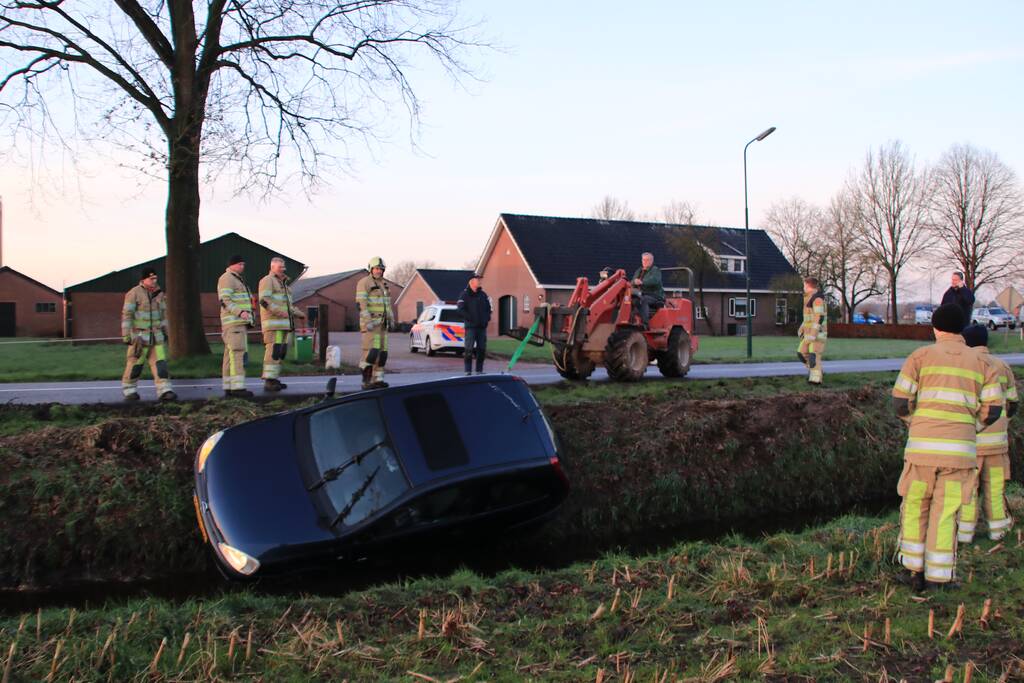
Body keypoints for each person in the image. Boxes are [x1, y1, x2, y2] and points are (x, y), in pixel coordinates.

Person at [891, 303, 1002, 590]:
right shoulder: (983, 363)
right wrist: (968, 429)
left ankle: (913, 570)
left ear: (935, 328)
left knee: (915, 507)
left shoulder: (920, 357)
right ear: (963, 328)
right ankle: (939, 577)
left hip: (921, 452)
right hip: (959, 455)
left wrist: (916, 424)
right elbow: (993, 411)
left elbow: (900, 402)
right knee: (946, 512)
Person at [958, 324, 1018, 543]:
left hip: (970, 444)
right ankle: (998, 532)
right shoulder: (1002, 366)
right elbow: (1012, 403)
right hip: (997, 444)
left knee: (968, 491)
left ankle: (964, 535)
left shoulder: (963, 365)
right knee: (994, 489)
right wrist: (1002, 424)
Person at [120, 268, 176, 402]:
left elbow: (163, 315)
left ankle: (165, 390)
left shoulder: (159, 294)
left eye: (155, 278)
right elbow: (127, 315)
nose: (154, 281)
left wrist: (165, 332)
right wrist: (126, 335)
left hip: (156, 337)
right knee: (135, 365)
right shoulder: (133, 294)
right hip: (140, 338)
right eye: (151, 279)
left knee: (161, 364)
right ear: (143, 280)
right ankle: (129, 390)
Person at [258, 257, 305, 392]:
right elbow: (264, 301)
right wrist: (280, 312)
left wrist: (299, 313)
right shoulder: (268, 281)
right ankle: (269, 380)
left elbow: (288, 307)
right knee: (273, 351)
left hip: (283, 325)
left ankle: (274, 378)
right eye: (280, 267)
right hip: (274, 325)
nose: (283, 269)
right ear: (272, 267)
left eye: (284, 267)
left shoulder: (284, 285)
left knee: (279, 353)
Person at [217, 254, 255, 398]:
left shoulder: (235, 279)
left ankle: (228, 386)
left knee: (230, 355)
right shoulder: (228, 278)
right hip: (235, 323)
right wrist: (241, 313)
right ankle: (238, 388)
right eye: (240, 264)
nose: (242, 267)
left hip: (234, 323)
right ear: (232, 265)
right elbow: (225, 300)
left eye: (243, 264)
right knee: (238, 354)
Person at [356, 256, 393, 390]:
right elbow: (361, 304)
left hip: (383, 326)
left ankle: (378, 380)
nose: (379, 271)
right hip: (372, 326)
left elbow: (387, 305)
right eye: (376, 268)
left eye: (381, 269)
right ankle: (366, 381)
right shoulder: (364, 282)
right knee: (371, 352)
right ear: (371, 269)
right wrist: (367, 321)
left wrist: (391, 319)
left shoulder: (384, 284)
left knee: (382, 354)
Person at [457, 273, 492, 375]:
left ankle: (479, 371)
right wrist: (470, 318)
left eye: (480, 279)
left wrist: (486, 319)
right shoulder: (464, 295)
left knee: (481, 349)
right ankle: (468, 371)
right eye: (478, 279)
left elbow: (488, 309)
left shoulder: (483, 295)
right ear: (471, 282)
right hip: (471, 327)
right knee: (469, 349)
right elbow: (460, 310)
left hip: (482, 327)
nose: (480, 281)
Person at [797, 276, 827, 385]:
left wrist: (813, 334)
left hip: (817, 335)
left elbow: (819, 317)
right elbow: (808, 318)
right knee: (801, 353)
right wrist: (801, 329)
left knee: (813, 356)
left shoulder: (817, 299)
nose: (803, 287)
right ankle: (817, 371)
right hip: (808, 334)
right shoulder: (808, 298)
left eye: (804, 285)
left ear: (808, 285)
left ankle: (815, 380)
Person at [631, 252, 664, 328]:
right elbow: (632, 281)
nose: (645, 262)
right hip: (640, 294)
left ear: (651, 261)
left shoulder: (655, 270)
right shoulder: (639, 271)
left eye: (647, 260)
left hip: (655, 295)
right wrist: (634, 282)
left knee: (642, 300)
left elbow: (654, 281)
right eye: (643, 260)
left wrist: (642, 282)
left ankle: (645, 324)